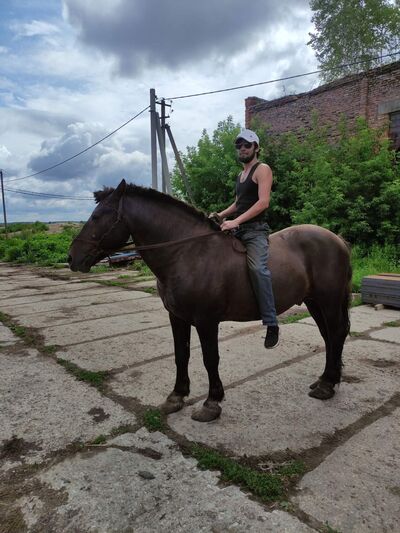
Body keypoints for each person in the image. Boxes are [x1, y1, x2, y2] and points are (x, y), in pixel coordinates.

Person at [215, 128, 279, 348]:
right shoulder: (240, 175)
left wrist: (236, 222)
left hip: (255, 231)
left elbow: (263, 202)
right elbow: (238, 203)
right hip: (239, 228)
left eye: (247, 145)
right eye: (239, 146)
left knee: (257, 269)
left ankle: (271, 322)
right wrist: (220, 215)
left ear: (256, 148)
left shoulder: (263, 169)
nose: (242, 149)